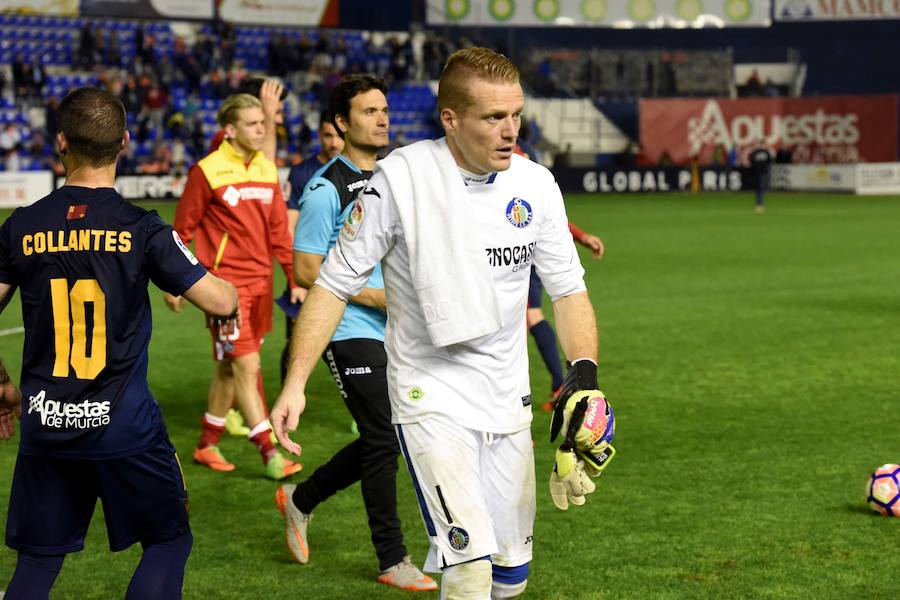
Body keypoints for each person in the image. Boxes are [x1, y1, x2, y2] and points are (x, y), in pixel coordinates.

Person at [272, 48, 610, 599]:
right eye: (493, 117)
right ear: (449, 118)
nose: (510, 130)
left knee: (510, 580)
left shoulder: (536, 184)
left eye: (515, 114)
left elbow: (568, 290)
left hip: (506, 398)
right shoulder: (401, 180)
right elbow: (331, 283)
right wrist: (295, 383)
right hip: (428, 394)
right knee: (469, 570)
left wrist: (584, 376)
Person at [0, 87, 239, 599]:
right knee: (168, 542)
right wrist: (233, 286)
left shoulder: (20, 226)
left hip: (46, 425)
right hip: (124, 427)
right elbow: (221, 301)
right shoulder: (142, 228)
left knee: (37, 563)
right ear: (125, 142)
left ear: (61, 142)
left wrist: (2, 382)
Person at [274, 74, 436, 592]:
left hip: (399, 328)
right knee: (385, 436)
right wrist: (374, 296)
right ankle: (392, 559)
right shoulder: (326, 188)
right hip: (347, 326)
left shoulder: (395, 177)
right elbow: (305, 270)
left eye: (384, 110)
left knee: (387, 436)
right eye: (369, 112)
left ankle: (301, 499)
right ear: (342, 123)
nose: (382, 119)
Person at [164, 93, 304, 480]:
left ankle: (207, 445)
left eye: (263, 122)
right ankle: (269, 453)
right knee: (246, 365)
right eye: (253, 124)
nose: (262, 129)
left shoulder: (266, 168)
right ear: (230, 129)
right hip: (224, 291)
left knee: (229, 369)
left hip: (262, 286)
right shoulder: (206, 171)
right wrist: (174, 282)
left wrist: (294, 278)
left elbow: (279, 232)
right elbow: (181, 231)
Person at [277, 111, 345, 382]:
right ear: (319, 136)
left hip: (348, 270)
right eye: (327, 136)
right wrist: (297, 280)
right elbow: (289, 227)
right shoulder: (302, 172)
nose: (333, 143)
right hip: (309, 269)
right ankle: (290, 394)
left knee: (353, 343)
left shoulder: (361, 171)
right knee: (299, 340)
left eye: (338, 136)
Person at [749, 145, 772, 213]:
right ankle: (759, 204)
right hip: (760, 172)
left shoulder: (756, 152)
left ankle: (759, 204)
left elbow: (752, 162)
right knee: (760, 188)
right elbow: (769, 162)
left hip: (758, 172)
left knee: (759, 189)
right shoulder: (765, 152)